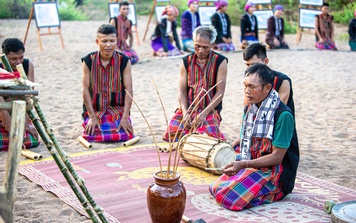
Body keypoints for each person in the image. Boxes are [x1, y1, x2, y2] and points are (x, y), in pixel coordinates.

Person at [209, 63, 299, 211]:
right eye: (245, 86)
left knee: (227, 198)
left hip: (275, 174)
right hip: (254, 164)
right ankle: (250, 184)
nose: (247, 91)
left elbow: (277, 158)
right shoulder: (251, 107)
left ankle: (277, 192)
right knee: (215, 188)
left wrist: (244, 165)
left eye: (252, 87)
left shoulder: (283, 115)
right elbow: (246, 140)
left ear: (268, 88)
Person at [162, 26, 228, 142]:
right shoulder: (186, 61)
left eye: (205, 47)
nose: (200, 50)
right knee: (172, 132)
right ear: (193, 43)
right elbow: (182, 91)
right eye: (197, 46)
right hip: (189, 108)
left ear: (212, 45)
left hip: (209, 109)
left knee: (208, 136)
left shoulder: (220, 61)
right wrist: (185, 112)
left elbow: (220, 93)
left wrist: (203, 114)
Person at [81, 24, 134, 142]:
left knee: (125, 135)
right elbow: (85, 90)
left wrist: (125, 118)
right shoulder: (88, 60)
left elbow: (129, 91)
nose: (108, 45)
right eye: (104, 41)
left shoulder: (124, 61)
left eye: (112, 41)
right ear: (97, 41)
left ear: (117, 41)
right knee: (90, 135)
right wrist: (92, 117)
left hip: (116, 110)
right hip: (95, 110)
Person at [0, 38, 40, 150]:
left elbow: (29, 97)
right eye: (13, 59)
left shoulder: (28, 65)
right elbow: (1, 105)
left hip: (21, 112)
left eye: (21, 57)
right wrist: (11, 129)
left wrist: (25, 124)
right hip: (3, 114)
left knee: (32, 142)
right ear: (4, 56)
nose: (18, 62)